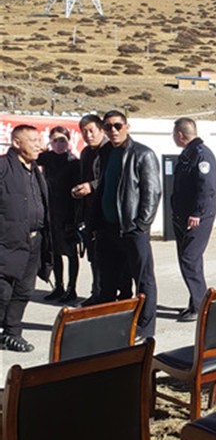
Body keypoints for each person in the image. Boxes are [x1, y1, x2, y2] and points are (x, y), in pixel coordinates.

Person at [72, 110, 161, 339]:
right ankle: (110, 325)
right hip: (107, 228)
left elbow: (152, 192)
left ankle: (144, 328)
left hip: (131, 229)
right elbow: (104, 185)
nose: (113, 130)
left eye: (117, 126)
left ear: (127, 127)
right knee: (107, 281)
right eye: (108, 126)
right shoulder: (105, 153)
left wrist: (141, 225)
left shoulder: (143, 154)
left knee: (143, 280)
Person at [0, 125, 51, 352]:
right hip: (7, 241)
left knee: (23, 290)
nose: (39, 145)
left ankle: (12, 333)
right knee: (3, 292)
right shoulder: (3, 167)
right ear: (16, 143)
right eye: (32, 141)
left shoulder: (35, 170)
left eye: (39, 140)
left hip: (34, 240)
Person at [170, 117, 216, 322]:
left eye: (174, 134)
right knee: (190, 260)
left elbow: (206, 186)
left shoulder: (201, 155)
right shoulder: (188, 154)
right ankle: (196, 302)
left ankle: (200, 306)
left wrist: (197, 213)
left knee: (189, 259)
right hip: (183, 216)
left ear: (180, 135)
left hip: (198, 217)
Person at [75, 113, 117, 305]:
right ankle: (97, 292)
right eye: (84, 132)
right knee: (94, 255)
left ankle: (115, 295)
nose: (88, 135)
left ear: (101, 130)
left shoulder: (111, 150)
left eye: (91, 131)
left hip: (107, 212)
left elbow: (113, 178)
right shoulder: (85, 152)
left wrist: (92, 186)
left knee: (111, 257)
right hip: (89, 211)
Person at [37, 125, 82, 304]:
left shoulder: (74, 162)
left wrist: (77, 219)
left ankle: (72, 288)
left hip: (68, 214)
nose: (59, 144)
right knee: (54, 252)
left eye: (62, 140)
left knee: (71, 253)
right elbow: (30, 157)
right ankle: (59, 286)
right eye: (55, 140)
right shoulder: (46, 158)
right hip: (50, 212)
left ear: (68, 141)